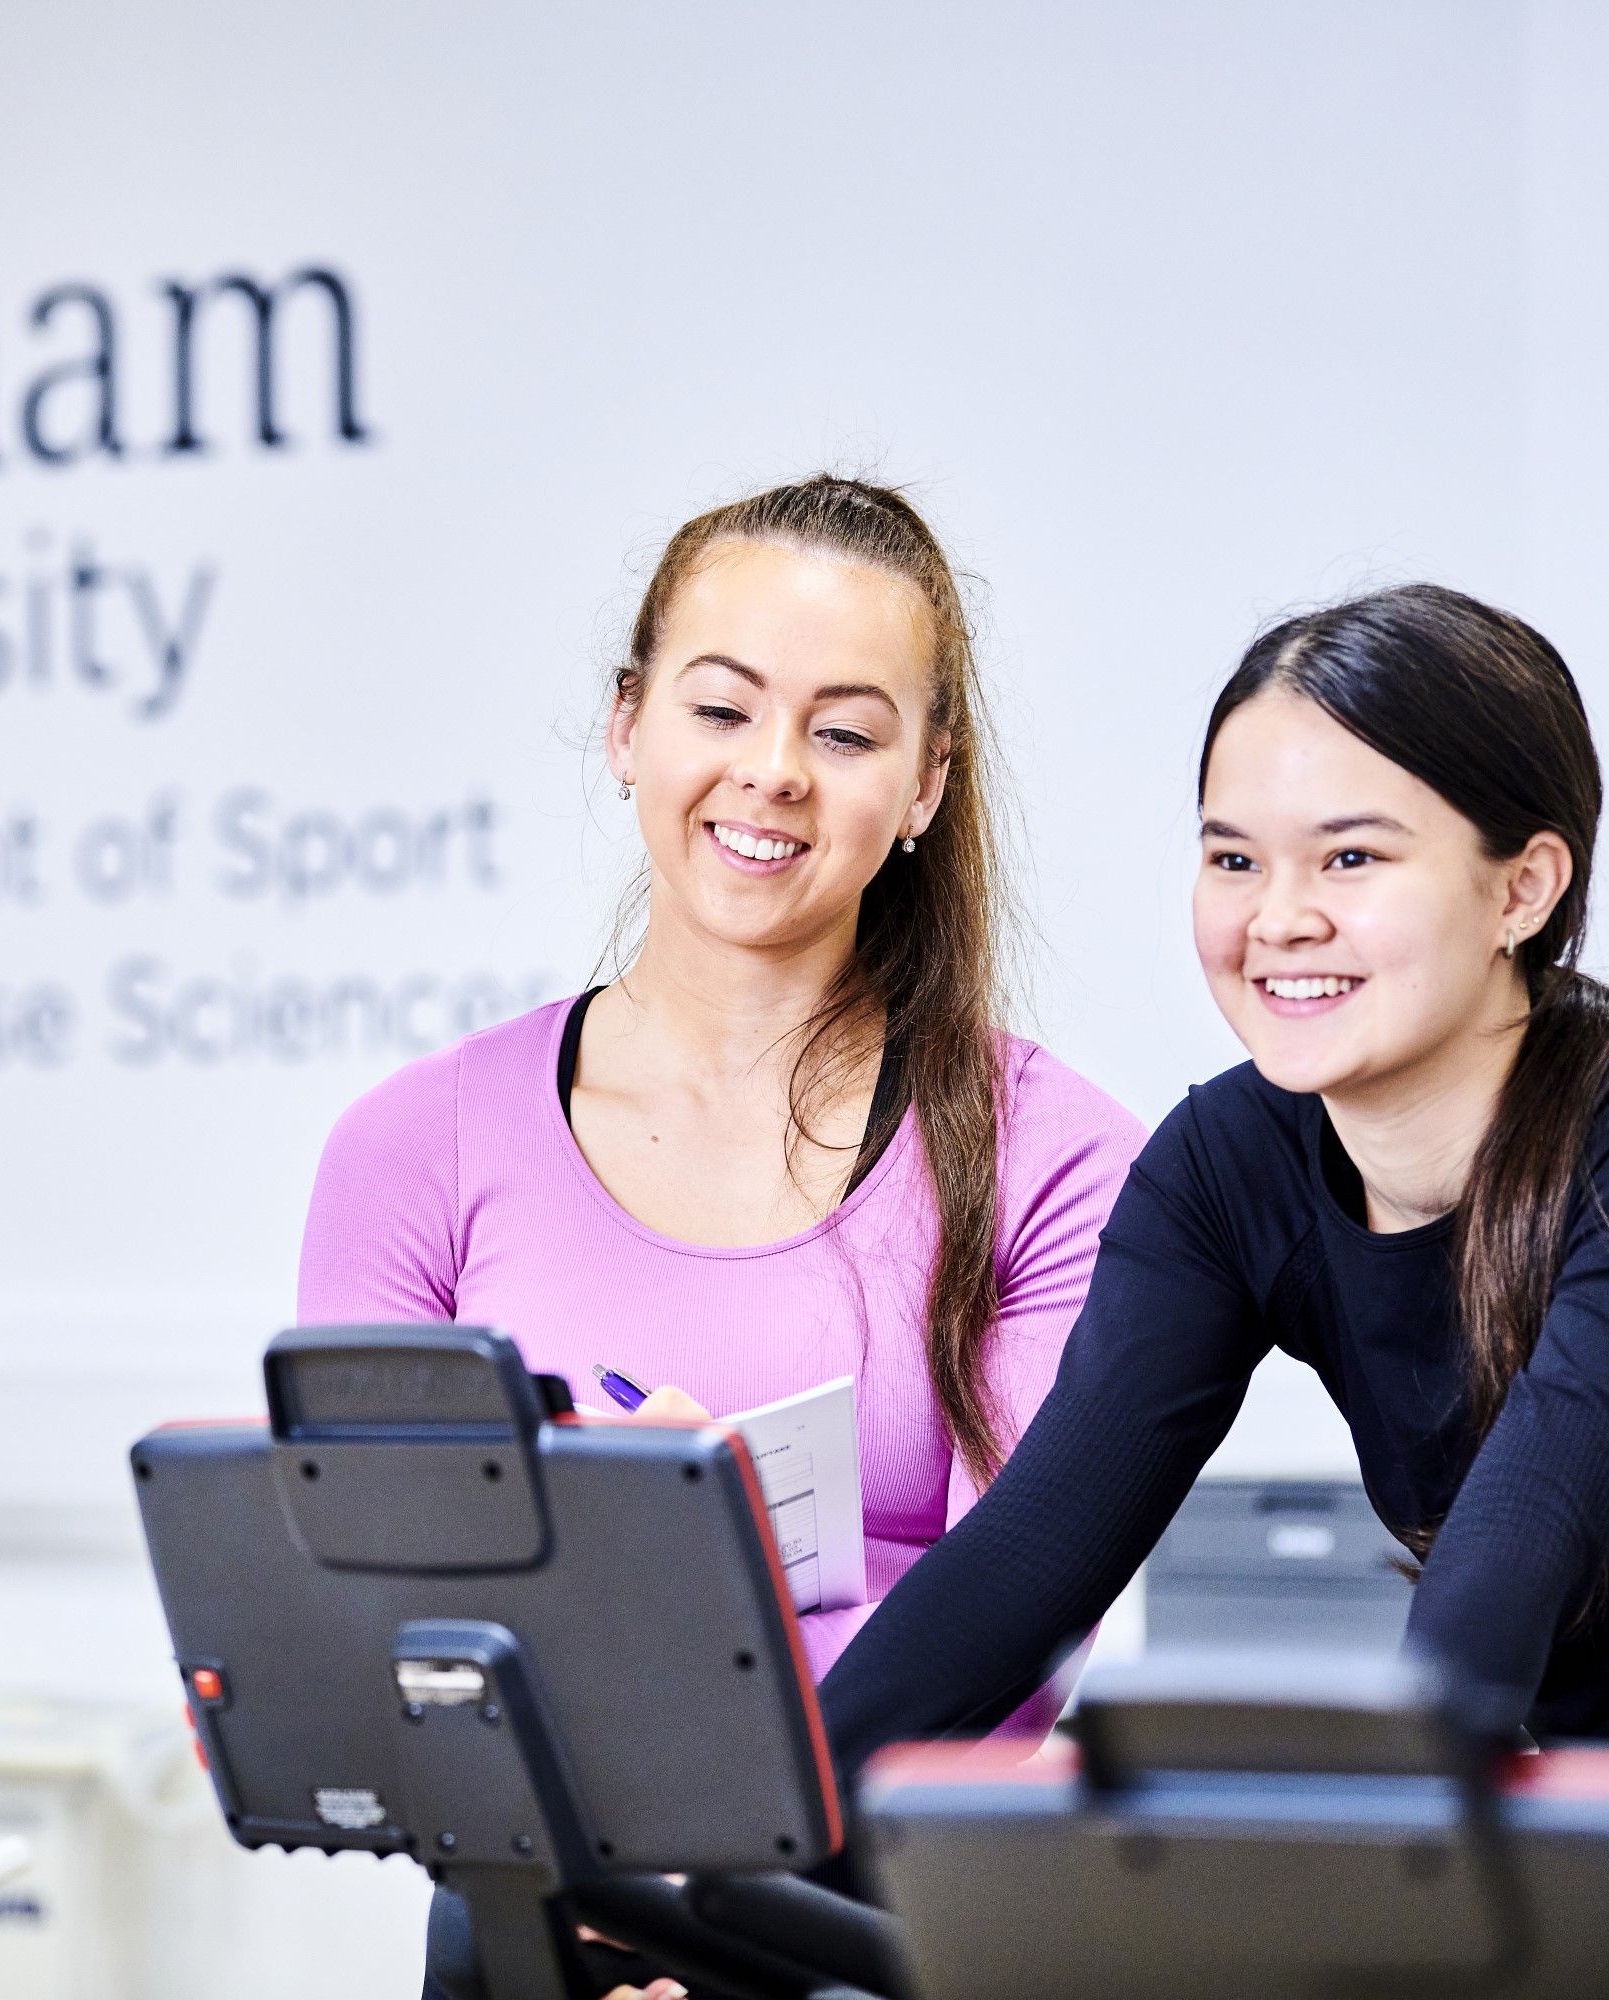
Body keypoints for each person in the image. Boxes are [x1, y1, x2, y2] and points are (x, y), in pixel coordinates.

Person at [818, 584, 1609, 1992]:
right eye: (1233, 859)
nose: (1278, 919)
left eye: (1350, 859)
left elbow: (1510, 1558)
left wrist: (1356, 1859)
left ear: (1522, 886)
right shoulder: (1228, 1165)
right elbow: (1027, 1562)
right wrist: (753, 1853)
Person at [296, 474, 1141, 2000]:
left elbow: (1021, 1631)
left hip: (887, 1916)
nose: (773, 776)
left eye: (845, 731)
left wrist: (716, 1860)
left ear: (928, 784)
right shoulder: (411, 1149)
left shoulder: (1059, 1156)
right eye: (722, 709)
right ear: (628, 727)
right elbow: (382, 1628)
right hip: (535, 1904)